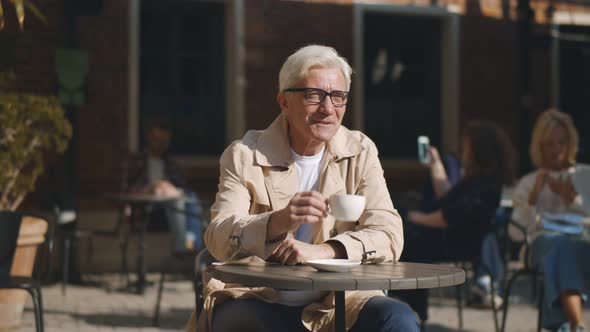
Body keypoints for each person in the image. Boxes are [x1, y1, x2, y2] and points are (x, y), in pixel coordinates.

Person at [186, 45, 418, 332]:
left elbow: (389, 233)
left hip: (340, 301)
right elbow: (218, 236)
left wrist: (326, 250)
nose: (328, 109)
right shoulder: (245, 154)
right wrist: (277, 222)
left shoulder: (360, 151)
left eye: (338, 97)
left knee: (398, 319)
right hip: (257, 296)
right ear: (284, 101)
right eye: (314, 96)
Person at [391, 121, 516, 322]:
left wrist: (412, 217)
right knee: (406, 235)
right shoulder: (474, 180)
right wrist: (436, 164)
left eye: (466, 147)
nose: (461, 152)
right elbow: (447, 196)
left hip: (458, 244)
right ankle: (406, 307)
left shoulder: (485, 185)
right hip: (449, 238)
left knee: (408, 242)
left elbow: (447, 218)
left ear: (479, 152)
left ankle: (412, 310)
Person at [510, 109, 590, 332]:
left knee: (562, 251)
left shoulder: (585, 176)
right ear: (539, 146)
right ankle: (575, 324)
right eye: (549, 144)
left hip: (582, 245)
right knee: (558, 247)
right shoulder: (529, 182)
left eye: (561, 143)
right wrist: (533, 199)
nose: (556, 150)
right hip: (543, 246)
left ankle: (568, 327)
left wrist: (573, 197)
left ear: (570, 144)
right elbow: (515, 233)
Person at [123, 121, 203, 252]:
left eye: (164, 141)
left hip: (171, 211)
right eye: (157, 140)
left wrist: (168, 188)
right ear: (148, 139)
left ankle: (191, 245)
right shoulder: (136, 162)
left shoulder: (171, 165)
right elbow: (127, 190)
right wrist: (151, 188)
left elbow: (181, 189)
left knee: (190, 197)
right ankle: (185, 248)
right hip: (148, 212)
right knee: (180, 201)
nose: (160, 144)